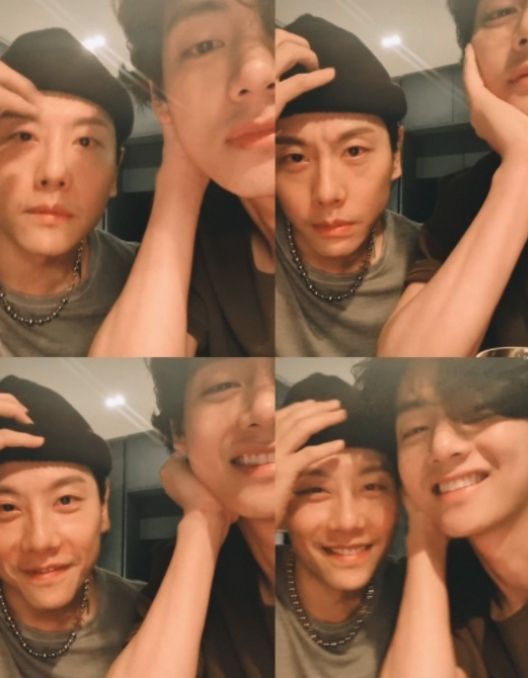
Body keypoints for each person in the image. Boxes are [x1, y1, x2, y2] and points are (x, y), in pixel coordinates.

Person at [91, 0, 283, 356]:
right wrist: (179, 169)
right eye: (205, 45)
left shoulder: (389, 249)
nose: (258, 70)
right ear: (160, 97)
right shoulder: (204, 253)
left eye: (276, 31)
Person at [354, 358, 528, 678]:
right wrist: (423, 533)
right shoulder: (450, 592)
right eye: (415, 429)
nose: (441, 447)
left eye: (477, 412)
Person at [379, 0, 528, 356]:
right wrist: (527, 166)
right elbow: (406, 365)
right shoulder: (468, 195)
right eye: (501, 11)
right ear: (470, 59)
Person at [108, 358, 276, 677]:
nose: (266, 408)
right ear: (179, 433)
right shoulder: (190, 568)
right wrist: (204, 517)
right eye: (223, 385)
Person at [275, 15, 419, 356]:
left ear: (396, 154)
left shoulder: (437, 258)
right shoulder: (234, 254)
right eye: (296, 158)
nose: (327, 193)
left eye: (354, 151)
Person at [0, 28, 136, 356]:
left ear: (115, 172)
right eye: (24, 136)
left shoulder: (154, 279)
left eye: (85, 142)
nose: (54, 173)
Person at [0, 375, 147, 677]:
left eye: (65, 500)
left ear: (103, 507)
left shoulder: (154, 615)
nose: (40, 541)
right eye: (7, 507)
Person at [276, 373, 404, 677]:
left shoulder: (419, 593)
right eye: (315, 490)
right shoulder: (239, 589)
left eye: (372, 486)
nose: (348, 521)